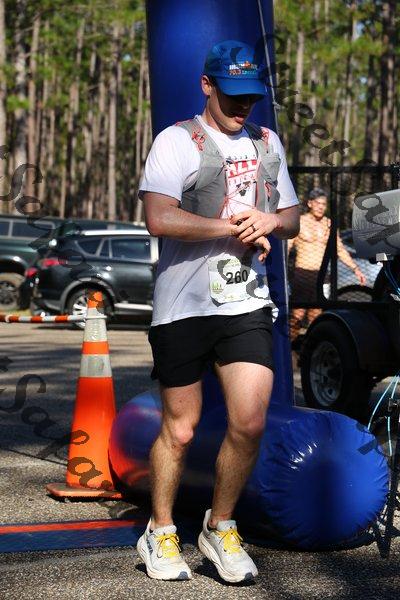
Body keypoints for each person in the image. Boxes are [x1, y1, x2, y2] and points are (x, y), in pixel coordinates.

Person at [136, 40, 300, 583]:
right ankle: (161, 530)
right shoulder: (176, 141)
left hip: (244, 301)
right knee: (181, 430)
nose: (241, 106)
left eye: (250, 97)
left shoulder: (267, 142)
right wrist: (231, 227)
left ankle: (220, 525)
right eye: (231, 95)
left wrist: (270, 221)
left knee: (249, 421)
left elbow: (292, 216)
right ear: (206, 86)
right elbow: (159, 217)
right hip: (182, 306)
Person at [288, 188, 366, 340]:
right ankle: (289, 346)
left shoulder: (329, 224)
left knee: (316, 314)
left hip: (323, 276)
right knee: (297, 314)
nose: (321, 207)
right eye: (318, 203)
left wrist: (355, 269)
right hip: (302, 274)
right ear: (310, 203)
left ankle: (310, 347)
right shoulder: (300, 222)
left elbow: (339, 249)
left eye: (324, 204)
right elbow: (287, 247)